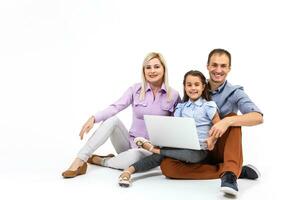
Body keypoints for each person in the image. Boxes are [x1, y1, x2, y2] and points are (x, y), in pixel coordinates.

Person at [159, 49, 264, 196]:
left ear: (229, 68)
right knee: (167, 167)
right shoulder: (196, 86)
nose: (218, 70)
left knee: (233, 119)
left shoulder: (235, 92)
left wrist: (226, 121)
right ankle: (236, 170)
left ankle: (230, 174)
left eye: (223, 66)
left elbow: (258, 117)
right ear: (208, 66)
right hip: (197, 149)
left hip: (220, 148)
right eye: (214, 65)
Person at [62, 52, 180, 178]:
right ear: (143, 70)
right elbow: (116, 106)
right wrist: (94, 118)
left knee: (134, 155)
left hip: (150, 151)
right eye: (148, 67)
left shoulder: (173, 95)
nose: (152, 71)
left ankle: (103, 161)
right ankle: (80, 160)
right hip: (129, 144)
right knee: (112, 120)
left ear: (164, 69)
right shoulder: (135, 89)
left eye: (156, 67)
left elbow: (177, 127)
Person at [118, 70, 221, 187]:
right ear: (184, 87)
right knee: (163, 155)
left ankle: (153, 148)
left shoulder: (208, 105)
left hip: (200, 150)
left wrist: (212, 139)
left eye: (196, 85)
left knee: (184, 154)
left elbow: (218, 126)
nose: (193, 88)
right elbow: (175, 127)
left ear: (203, 86)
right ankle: (128, 171)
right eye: (189, 85)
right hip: (181, 146)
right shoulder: (181, 107)